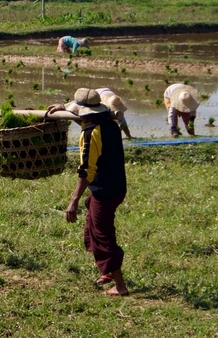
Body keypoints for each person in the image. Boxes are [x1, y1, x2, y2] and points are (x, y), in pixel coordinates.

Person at [48, 88, 128, 296]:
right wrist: (64, 109)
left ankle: (120, 286)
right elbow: (87, 122)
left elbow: (86, 170)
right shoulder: (109, 124)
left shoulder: (90, 133)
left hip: (105, 189)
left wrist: (73, 200)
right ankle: (108, 272)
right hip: (117, 186)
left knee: (102, 234)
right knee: (92, 217)